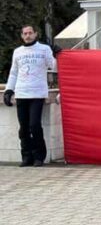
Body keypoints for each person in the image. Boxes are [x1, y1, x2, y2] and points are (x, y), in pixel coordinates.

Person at [3, 25, 57, 167]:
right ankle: (26, 156)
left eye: (30, 33)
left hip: (37, 93)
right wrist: (9, 90)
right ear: (22, 36)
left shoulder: (44, 49)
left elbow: (54, 66)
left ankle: (39, 156)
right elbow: (13, 73)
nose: (28, 35)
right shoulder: (18, 52)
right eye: (25, 33)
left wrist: (57, 55)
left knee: (34, 125)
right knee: (24, 128)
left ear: (35, 34)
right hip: (21, 93)